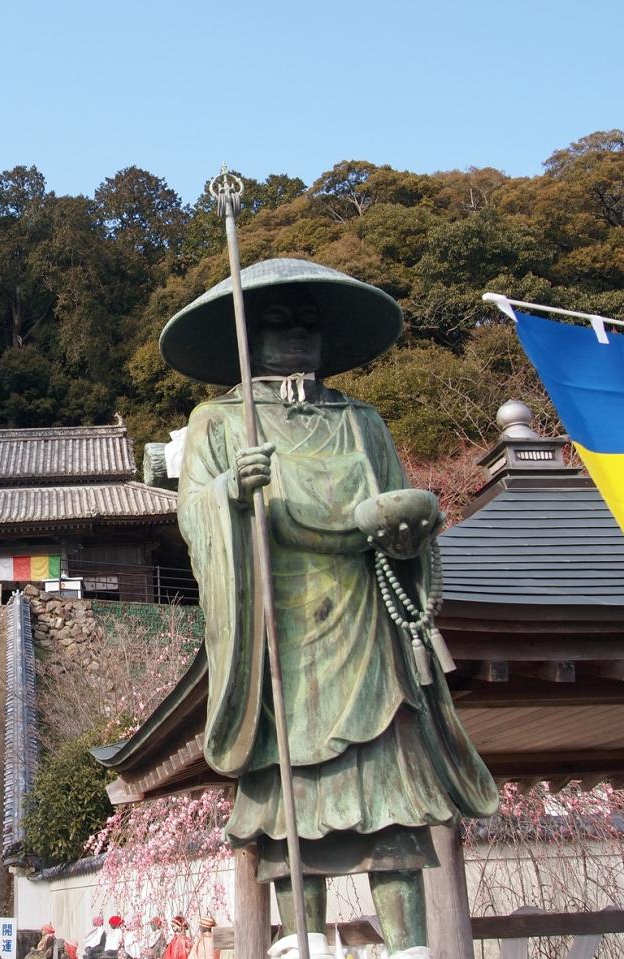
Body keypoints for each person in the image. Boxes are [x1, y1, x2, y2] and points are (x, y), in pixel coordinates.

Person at [162, 259, 498, 959]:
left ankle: (410, 947)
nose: (297, 333)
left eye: (309, 321)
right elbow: (193, 519)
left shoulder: (361, 421)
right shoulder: (219, 421)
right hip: (280, 629)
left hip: (365, 620)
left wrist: (409, 536)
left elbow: (402, 513)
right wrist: (229, 492)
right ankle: (302, 941)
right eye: (278, 321)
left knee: (393, 800)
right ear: (246, 336)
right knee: (293, 804)